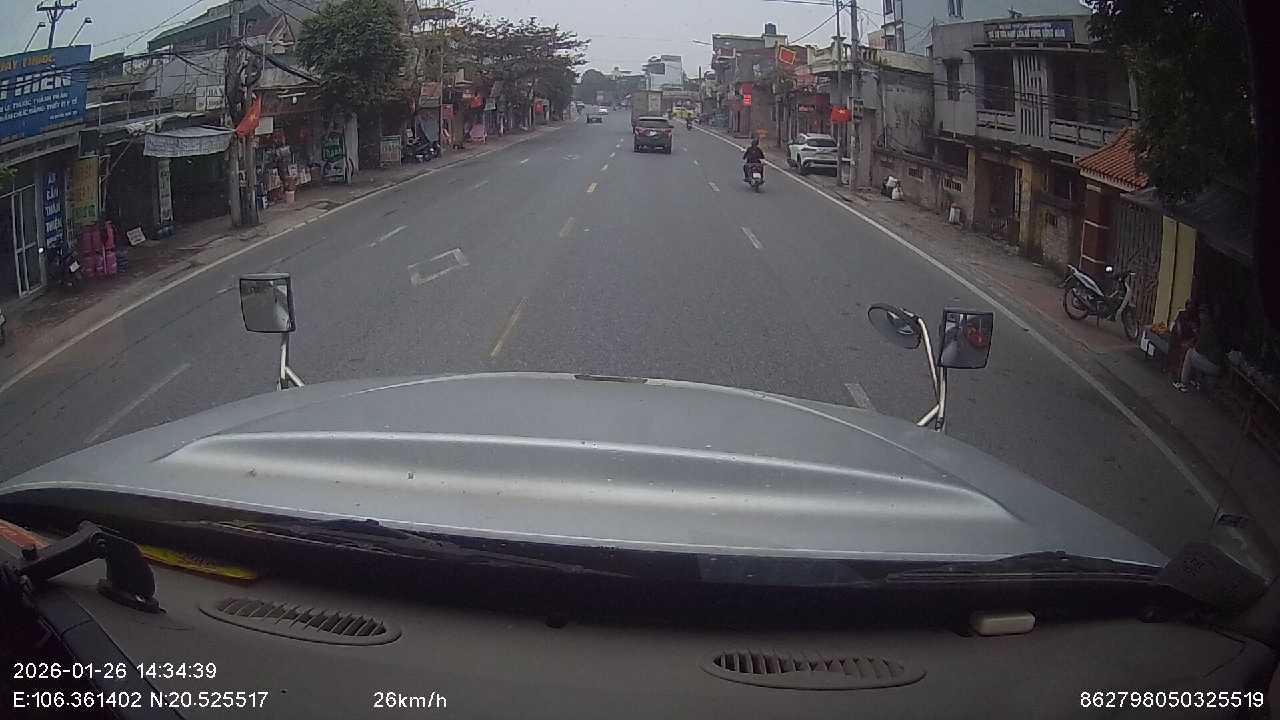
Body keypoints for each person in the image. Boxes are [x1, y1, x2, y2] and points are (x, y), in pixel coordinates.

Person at [1167, 298, 1201, 391]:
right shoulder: (1181, 314)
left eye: (1192, 306)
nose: (1190, 308)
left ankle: (1184, 378)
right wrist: (1181, 340)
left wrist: (1191, 341)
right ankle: (1176, 376)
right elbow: (1178, 329)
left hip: (1189, 341)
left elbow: (1197, 333)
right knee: (1178, 351)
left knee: (1187, 352)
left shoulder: (1195, 319)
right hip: (1179, 340)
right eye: (1188, 305)